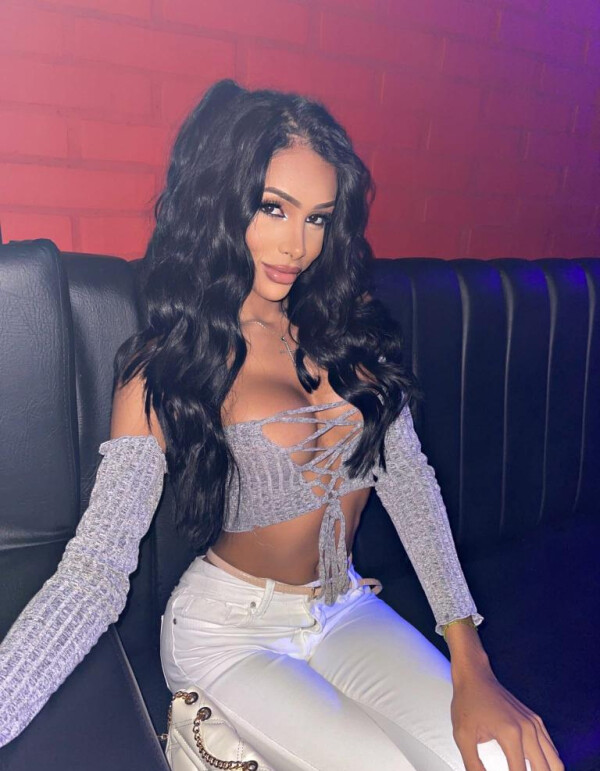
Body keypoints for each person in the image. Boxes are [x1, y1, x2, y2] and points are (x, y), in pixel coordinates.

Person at [0, 79, 562, 771]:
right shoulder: (168, 363)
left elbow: (413, 490)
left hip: (344, 608)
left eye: (318, 219)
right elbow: (96, 570)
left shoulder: (351, 337)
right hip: (228, 632)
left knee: (508, 761)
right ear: (222, 203)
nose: (297, 245)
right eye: (274, 208)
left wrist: (473, 665)